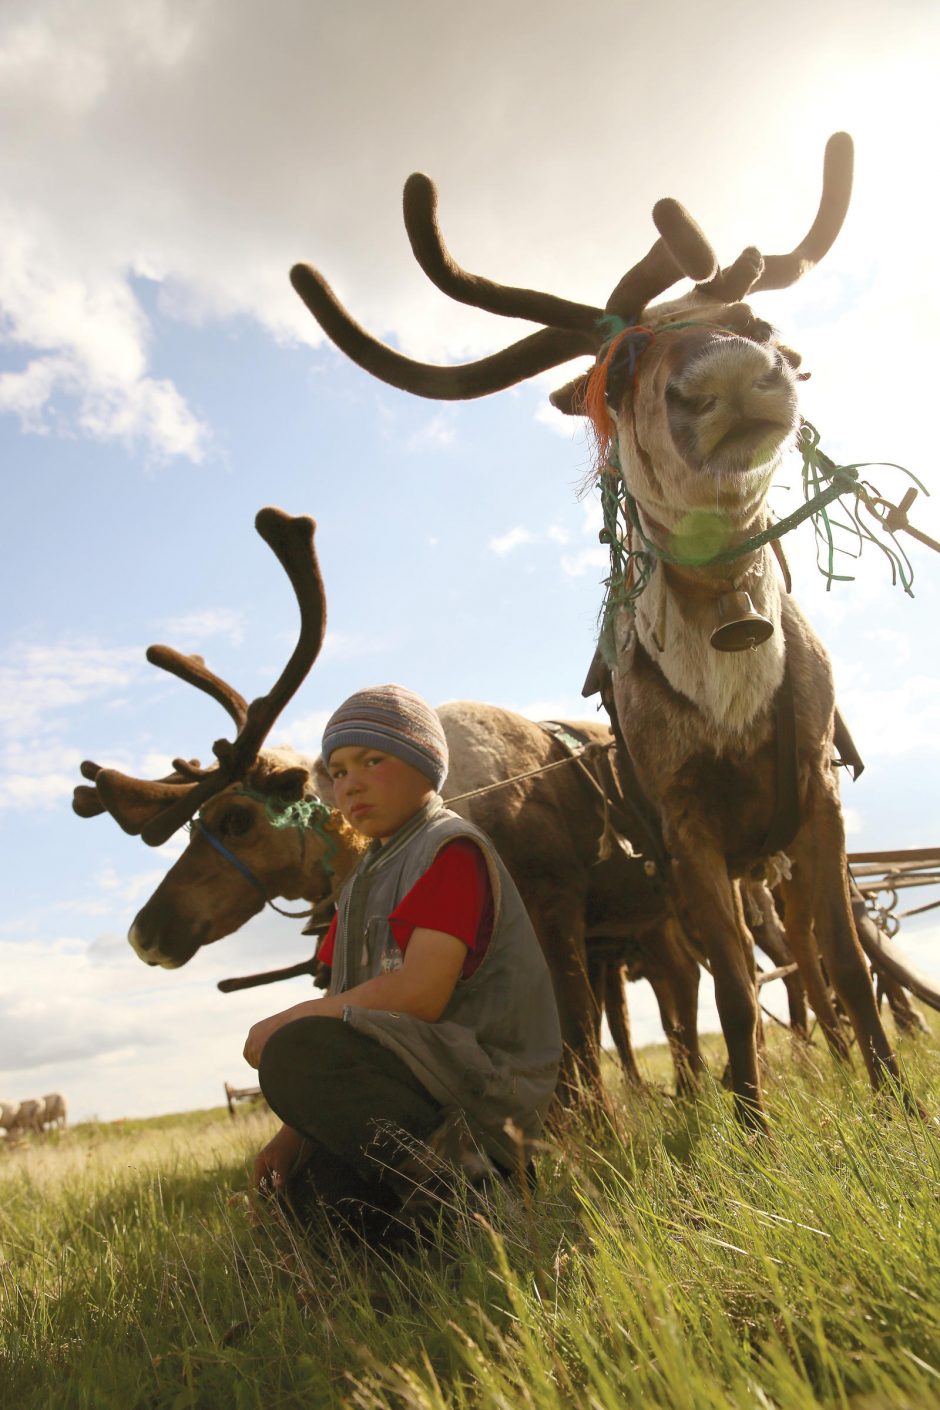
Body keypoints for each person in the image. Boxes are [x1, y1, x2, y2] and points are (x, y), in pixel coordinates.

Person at [243, 683, 562, 1237]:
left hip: (483, 1090)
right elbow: (352, 1007)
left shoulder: (448, 851)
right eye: (338, 771)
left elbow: (418, 994)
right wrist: (294, 1134)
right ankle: (429, 1225)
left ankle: (477, 1194)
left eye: (372, 760)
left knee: (294, 1051)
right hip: (425, 1077)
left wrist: (289, 1022)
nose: (351, 784)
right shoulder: (363, 880)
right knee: (312, 1196)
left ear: (425, 765)